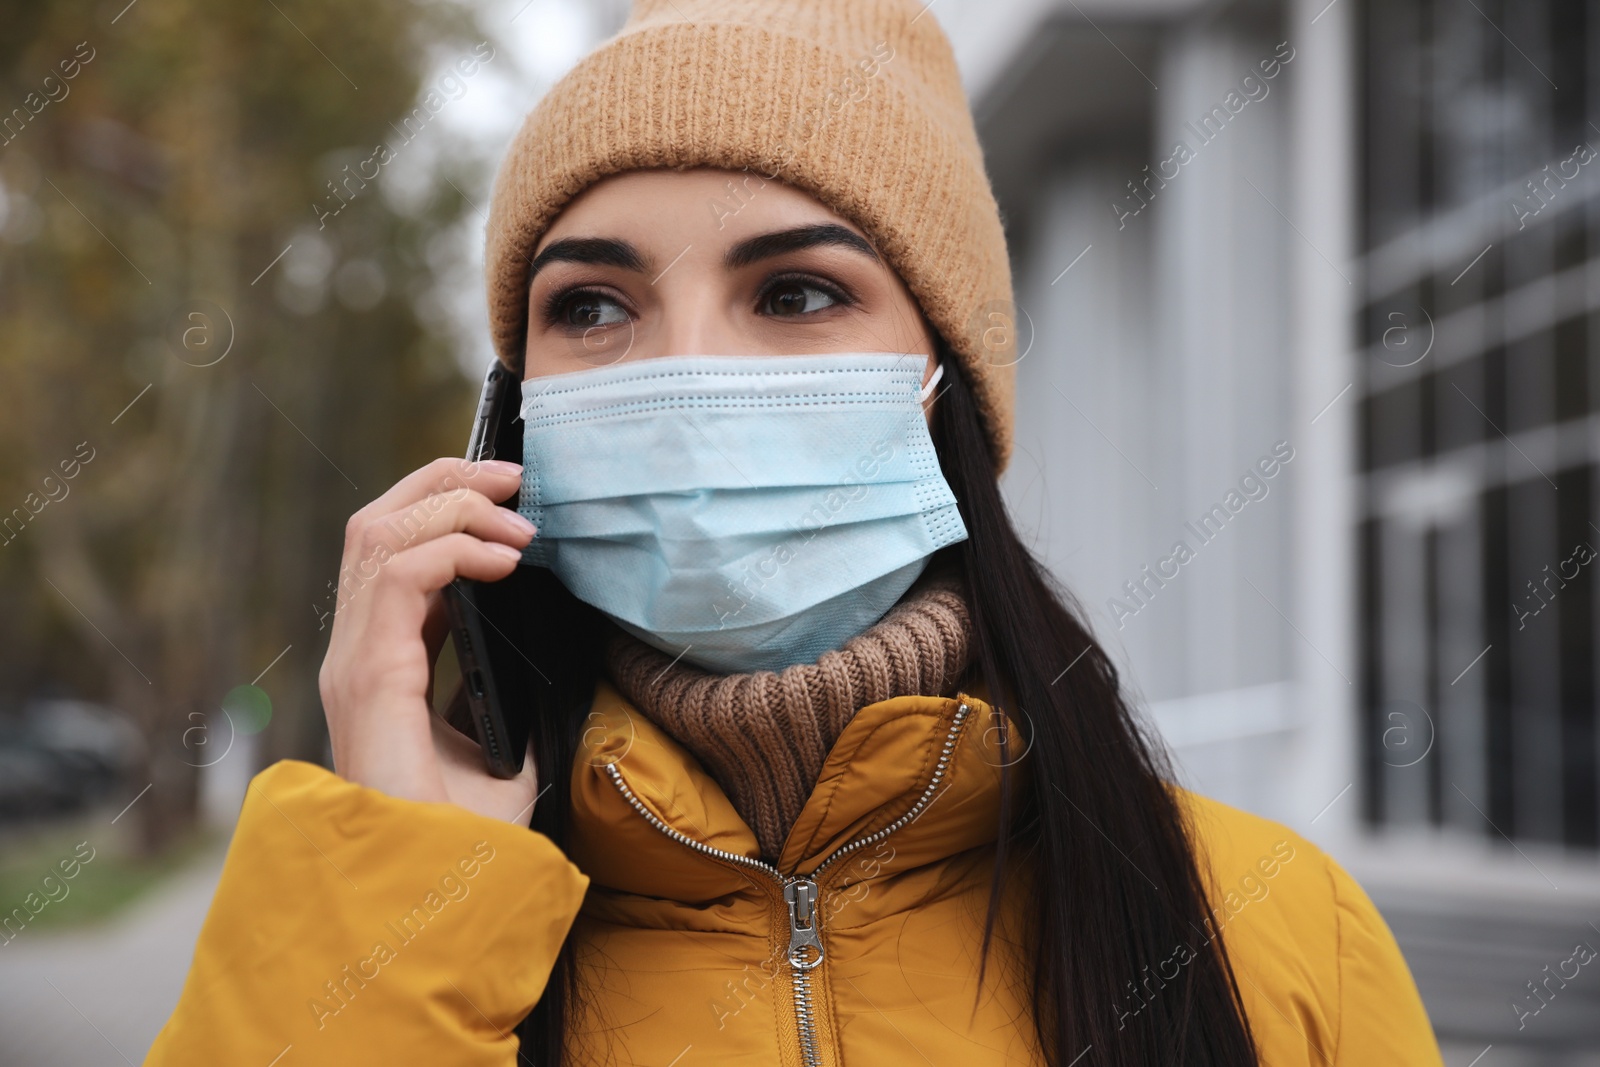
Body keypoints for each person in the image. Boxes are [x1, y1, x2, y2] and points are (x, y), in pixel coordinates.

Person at [145, 1, 1445, 1064]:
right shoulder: (406, 913)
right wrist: (400, 899)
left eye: (797, 290)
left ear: (946, 381)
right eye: (592, 306)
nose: (691, 375)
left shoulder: (1280, 938)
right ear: (513, 415)